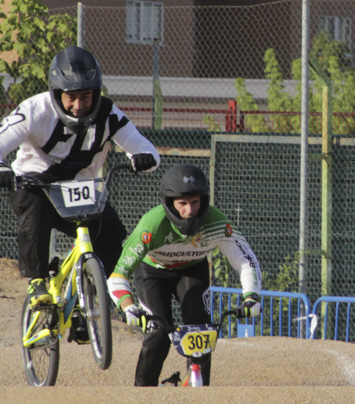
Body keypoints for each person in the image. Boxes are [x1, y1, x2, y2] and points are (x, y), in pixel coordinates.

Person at [0, 46, 160, 309]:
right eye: (70, 97)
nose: (78, 106)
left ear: (96, 92)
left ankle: (102, 299)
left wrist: (143, 158)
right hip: (33, 185)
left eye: (86, 96)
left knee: (112, 235)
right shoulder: (35, 110)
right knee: (35, 213)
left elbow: (146, 148)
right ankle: (37, 282)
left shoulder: (109, 114)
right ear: (56, 93)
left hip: (79, 190)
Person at [107, 164, 262, 387]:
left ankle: (200, 395)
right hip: (152, 272)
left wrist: (251, 296)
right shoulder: (151, 225)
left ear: (204, 200)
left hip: (192, 269)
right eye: (182, 204)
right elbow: (119, 273)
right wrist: (127, 305)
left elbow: (245, 260)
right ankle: (142, 394)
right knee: (158, 335)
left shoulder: (217, 222)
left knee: (201, 330)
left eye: (195, 202)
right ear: (170, 203)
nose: (190, 211)